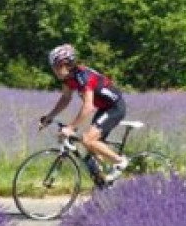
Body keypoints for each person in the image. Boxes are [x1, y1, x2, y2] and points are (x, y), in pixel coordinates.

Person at [39, 44, 129, 183]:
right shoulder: (67, 78)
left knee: (88, 139)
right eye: (53, 67)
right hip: (103, 108)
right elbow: (65, 98)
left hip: (115, 107)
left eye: (57, 66)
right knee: (91, 151)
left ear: (67, 64)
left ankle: (120, 162)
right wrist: (50, 116)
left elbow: (88, 107)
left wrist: (70, 127)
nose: (54, 71)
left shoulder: (83, 77)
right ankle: (105, 184)